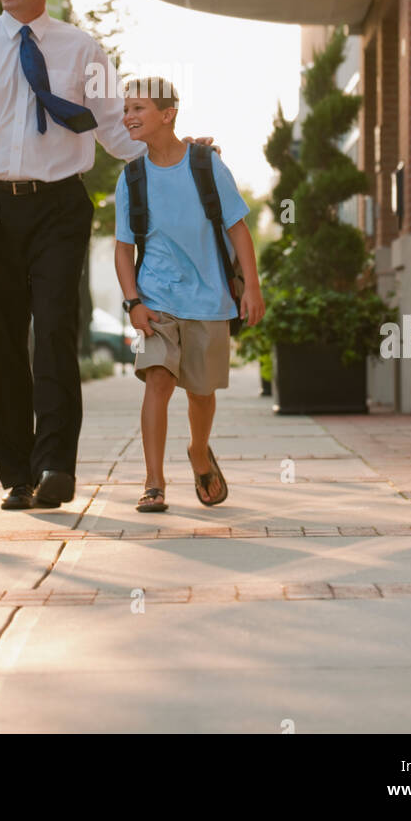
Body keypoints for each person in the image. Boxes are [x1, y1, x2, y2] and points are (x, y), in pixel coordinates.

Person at [0, 0, 215, 512]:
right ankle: (15, 471)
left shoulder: (82, 49)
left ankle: (56, 465)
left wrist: (177, 151)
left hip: (59, 203)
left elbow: (112, 127)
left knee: (56, 329)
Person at [113, 77, 265, 514]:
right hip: (156, 296)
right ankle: (154, 482)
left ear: (168, 114)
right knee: (157, 381)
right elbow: (123, 249)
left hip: (209, 298)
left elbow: (238, 228)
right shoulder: (132, 177)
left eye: (138, 108)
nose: (128, 117)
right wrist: (133, 302)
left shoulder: (206, 165)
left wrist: (251, 287)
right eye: (126, 109)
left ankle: (199, 452)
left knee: (200, 392)